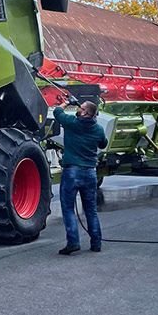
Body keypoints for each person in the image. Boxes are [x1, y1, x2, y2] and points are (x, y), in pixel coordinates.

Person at [54, 97, 107, 255]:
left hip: (72, 172)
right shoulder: (98, 129)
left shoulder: (72, 123)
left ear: (84, 113)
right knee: (91, 210)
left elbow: (57, 112)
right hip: (90, 172)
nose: (78, 109)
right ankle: (96, 243)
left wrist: (67, 102)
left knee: (68, 208)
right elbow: (103, 144)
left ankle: (73, 243)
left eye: (80, 108)